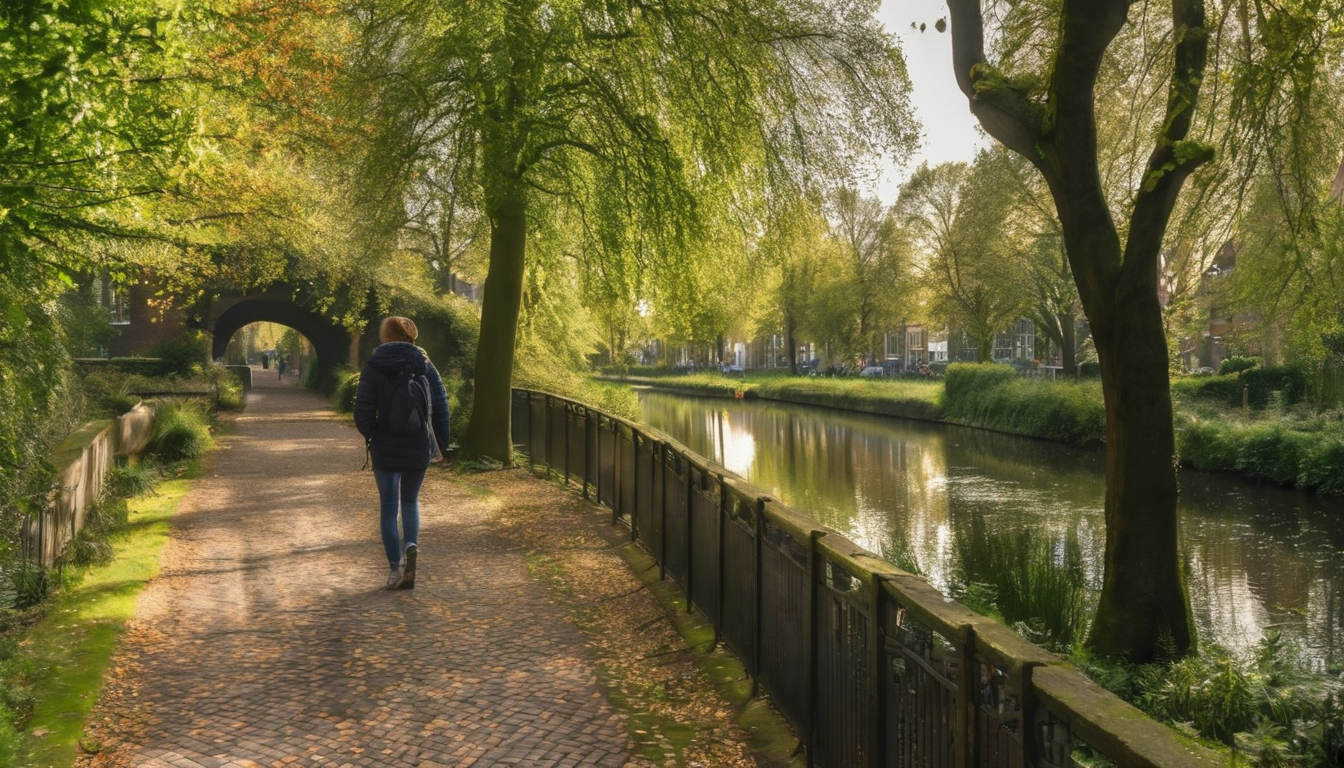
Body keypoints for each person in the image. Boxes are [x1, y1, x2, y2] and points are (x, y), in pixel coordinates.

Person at [353, 316, 451, 590]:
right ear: (412, 337)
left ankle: (395, 568)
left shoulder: (375, 365)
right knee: (410, 502)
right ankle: (410, 547)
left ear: (385, 335)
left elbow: (362, 410)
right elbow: (441, 406)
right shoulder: (425, 365)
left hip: (385, 447)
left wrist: (374, 435)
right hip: (418, 445)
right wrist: (441, 443)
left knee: (388, 506)